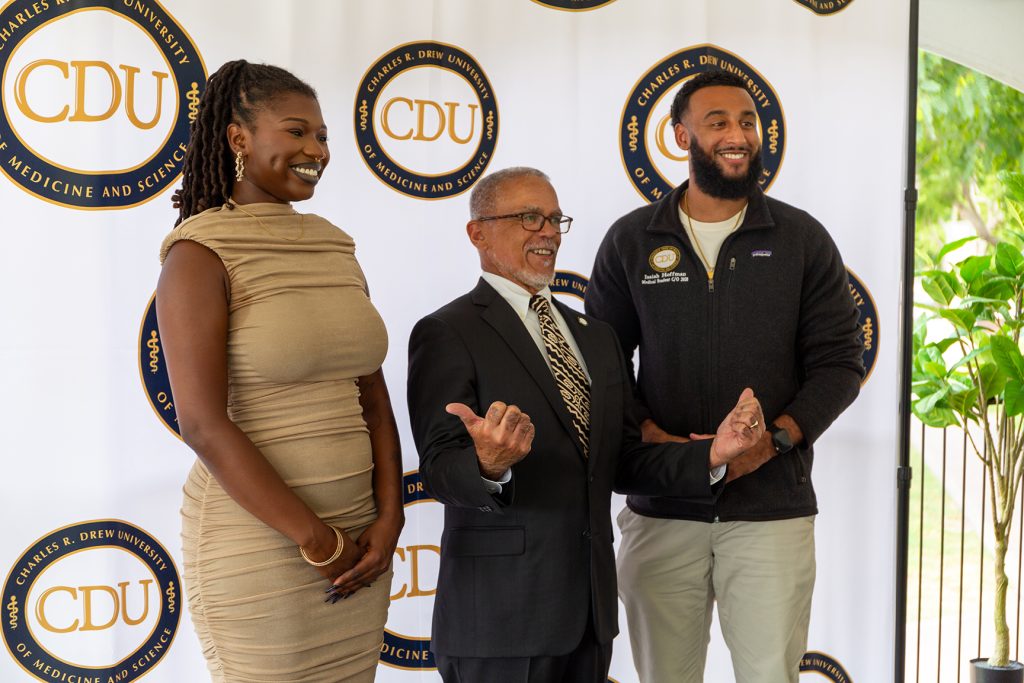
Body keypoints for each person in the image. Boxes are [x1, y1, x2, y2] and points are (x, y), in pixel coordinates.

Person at [406, 166, 767, 683]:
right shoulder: (448, 331)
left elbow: (622, 459)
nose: (548, 232)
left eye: (555, 219)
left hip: (589, 618)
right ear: (477, 232)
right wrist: (487, 464)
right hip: (499, 623)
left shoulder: (594, 336)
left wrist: (712, 455)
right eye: (530, 218)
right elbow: (441, 468)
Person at [585, 69, 865, 683]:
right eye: (717, 122)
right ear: (679, 132)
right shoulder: (631, 241)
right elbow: (601, 367)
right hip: (663, 510)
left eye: (746, 122)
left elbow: (841, 363)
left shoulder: (801, 239)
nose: (737, 135)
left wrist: (779, 439)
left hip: (770, 511)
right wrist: (650, 435)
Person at [156, 60, 403, 683]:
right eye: (296, 132)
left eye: (322, 136)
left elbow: (372, 395)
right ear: (238, 138)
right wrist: (317, 541)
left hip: (360, 549)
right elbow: (204, 425)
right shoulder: (198, 253)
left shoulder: (335, 244)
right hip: (262, 550)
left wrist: (390, 518)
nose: (315, 150)